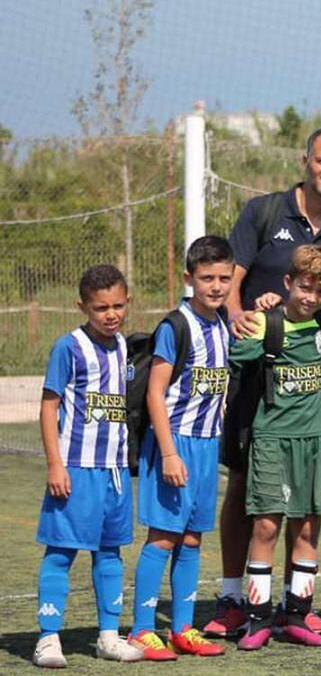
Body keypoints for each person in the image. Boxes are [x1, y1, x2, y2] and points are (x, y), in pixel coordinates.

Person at [207, 126, 321, 638]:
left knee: (304, 505)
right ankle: (235, 598)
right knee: (245, 489)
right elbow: (230, 275)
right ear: (305, 160)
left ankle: (296, 605)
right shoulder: (265, 212)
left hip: (313, 386)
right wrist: (239, 316)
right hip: (257, 374)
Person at [228, 245, 321, 651]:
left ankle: (298, 613)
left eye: (320, 291)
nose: (311, 297)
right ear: (288, 282)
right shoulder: (265, 324)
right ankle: (256, 618)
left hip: (316, 440)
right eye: (304, 287)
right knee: (267, 525)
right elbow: (235, 357)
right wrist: (249, 319)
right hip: (271, 439)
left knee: (307, 525)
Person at [127, 237, 234, 660]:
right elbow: (156, 394)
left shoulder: (223, 320)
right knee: (164, 538)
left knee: (191, 539)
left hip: (207, 446)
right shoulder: (176, 326)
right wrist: (169, 453)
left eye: (224, 277)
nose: (216, 286)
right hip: (174, 445)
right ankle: (140, 629)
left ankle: (183, 629)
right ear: (189, 278)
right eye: (207, 278)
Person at [32, 265, 144, 667]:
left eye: (117, 305)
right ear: (83, 307)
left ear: (127, 301)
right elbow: (49, 406)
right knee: (61, 552)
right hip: (76, 468)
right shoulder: (69, 347)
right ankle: (48, 638)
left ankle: (108, 636)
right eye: (100, 308)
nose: (110, 314)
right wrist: (54, 465)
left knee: (110, 553)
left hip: (113, 471)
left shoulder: (123, 347)